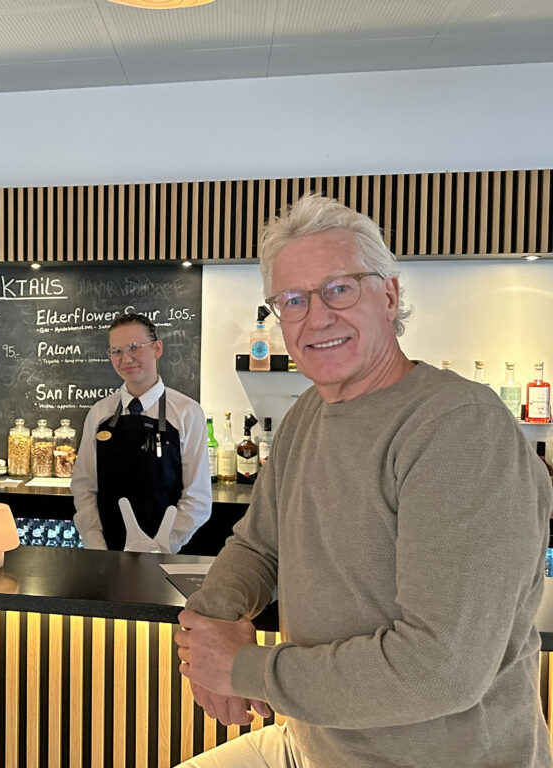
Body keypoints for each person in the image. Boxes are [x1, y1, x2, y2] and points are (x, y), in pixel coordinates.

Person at [174, 195, 552, 767]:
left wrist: (245, 669)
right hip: (313, 742)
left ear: (390, 294)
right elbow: (258, 545)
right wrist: (213, 622)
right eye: (293, 301)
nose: (316, 317)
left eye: (340, 289)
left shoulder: (458, 428)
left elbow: (441, 669)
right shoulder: (306, 415)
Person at [71, 313, 211, 553]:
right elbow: (84, 487)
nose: (126, 358)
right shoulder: (99, 413)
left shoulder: (187, 412)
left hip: (171, 556)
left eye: (134, 347)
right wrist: (97, 547)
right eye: (116, 351)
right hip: (110, 554)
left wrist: (162, 546)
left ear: (157, 348)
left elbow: (197, 498)